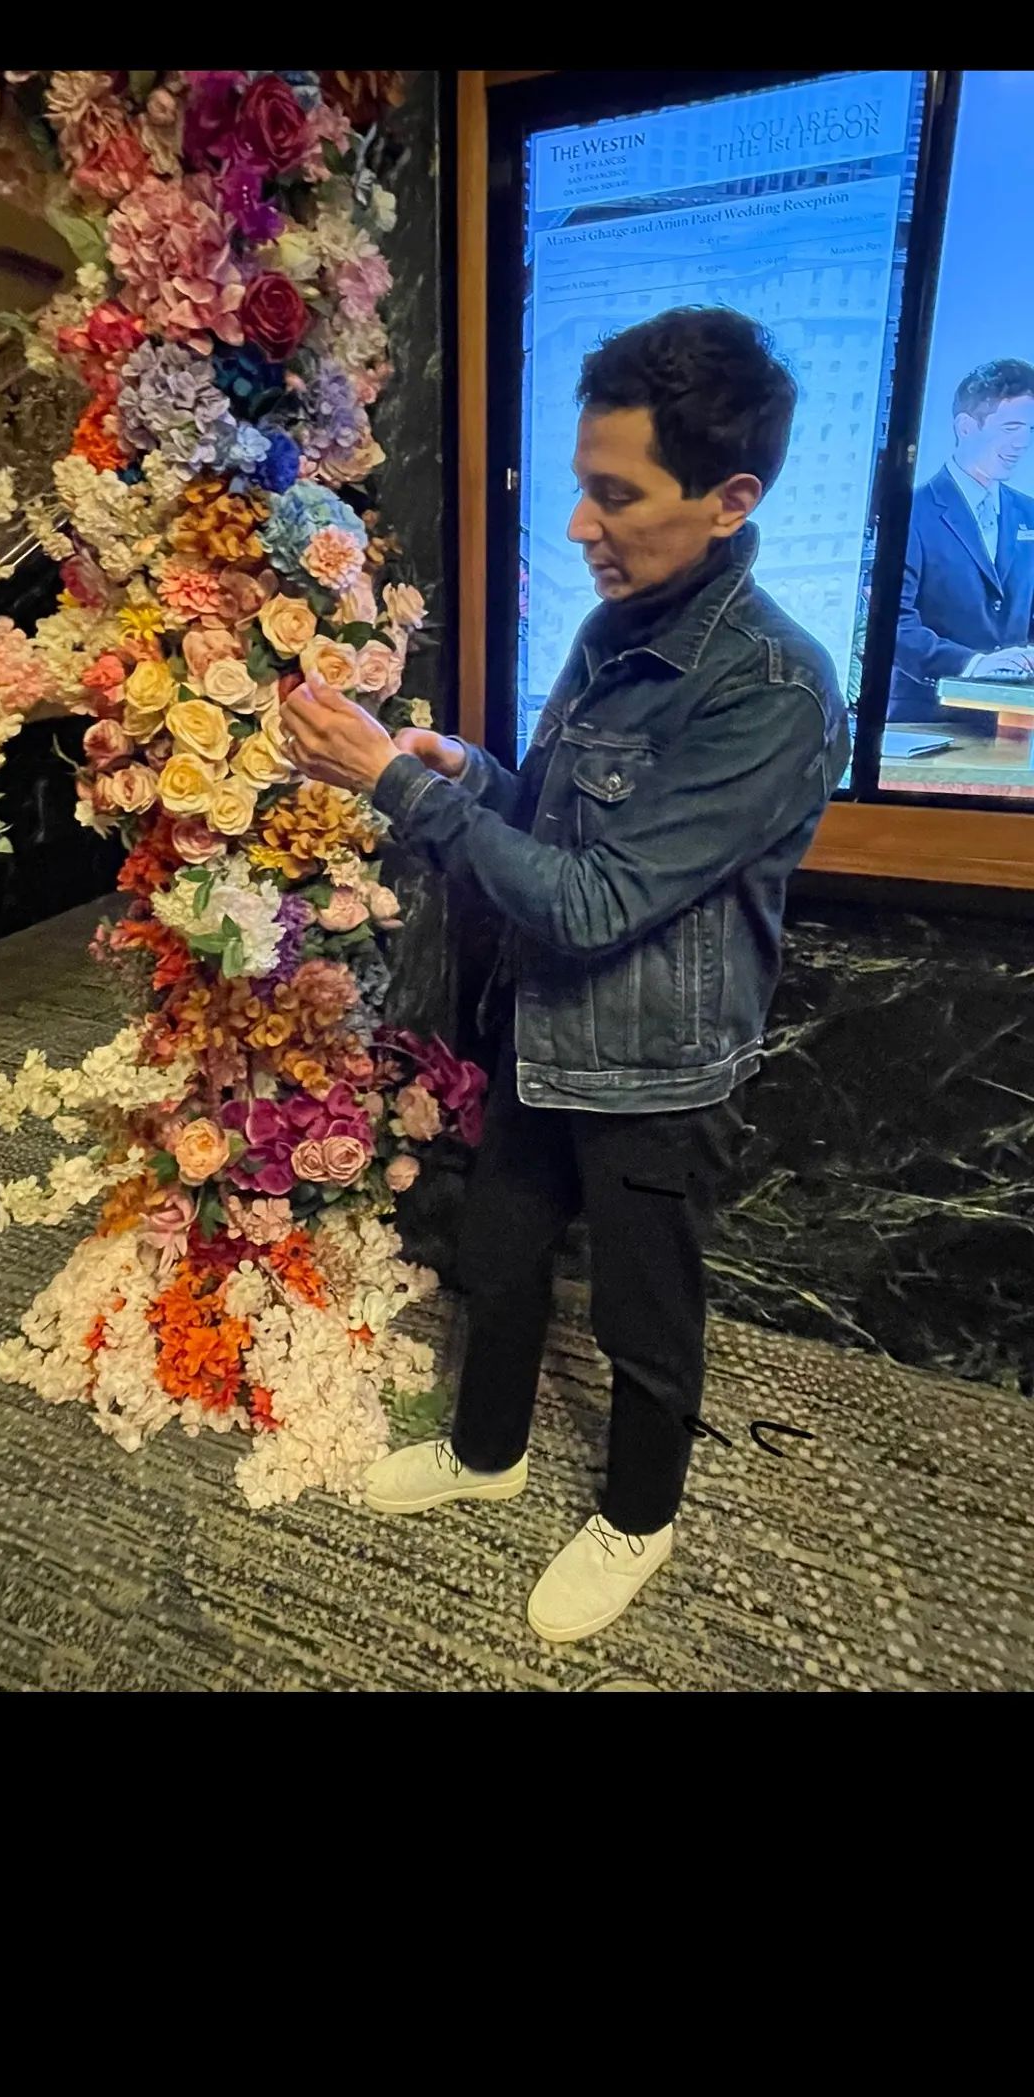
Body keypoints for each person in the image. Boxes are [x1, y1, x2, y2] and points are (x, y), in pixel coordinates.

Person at [282, 306, 849, 1648]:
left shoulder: (772, 687)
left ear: (731, 500)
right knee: (499, 1250)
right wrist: (456, 772)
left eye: (615, 495)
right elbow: (557, 819)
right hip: (545, 1024)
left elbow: (596, 904)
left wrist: (385, 788)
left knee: (651, 1315)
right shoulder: (618, 624)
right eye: (579, 488)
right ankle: (492, 1454)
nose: (582, 527)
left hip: (653, 1062)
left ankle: (641, 1519)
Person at [887, 358, 1034, 726]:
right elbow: (895, 622)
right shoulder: (911, 512)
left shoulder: (1029, 513)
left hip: (1015, 726)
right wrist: (974, 664)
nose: (1023, 443)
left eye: (1029, 429)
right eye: (1011, 427)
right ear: (966, 427)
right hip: (924, 722)